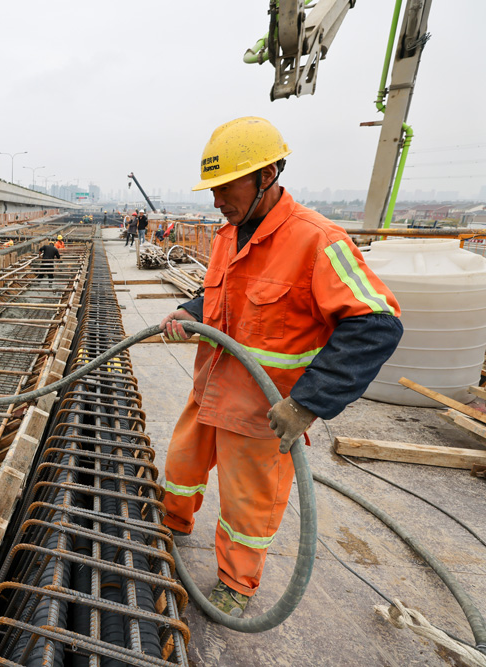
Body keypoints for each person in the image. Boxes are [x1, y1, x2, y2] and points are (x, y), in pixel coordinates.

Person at [160, 117, 403, 617]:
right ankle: (171, 527)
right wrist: (188, 313)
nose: (216, 200)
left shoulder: (317, 241)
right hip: (209, 391)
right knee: (181, 468)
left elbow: (377, 324)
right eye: (213, 188)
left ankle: (235, 584)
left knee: (246, 509)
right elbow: (222, 299)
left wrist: (309, 404)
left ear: (266, 175)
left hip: (262, 412)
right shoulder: (229, 235)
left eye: (226, 186)